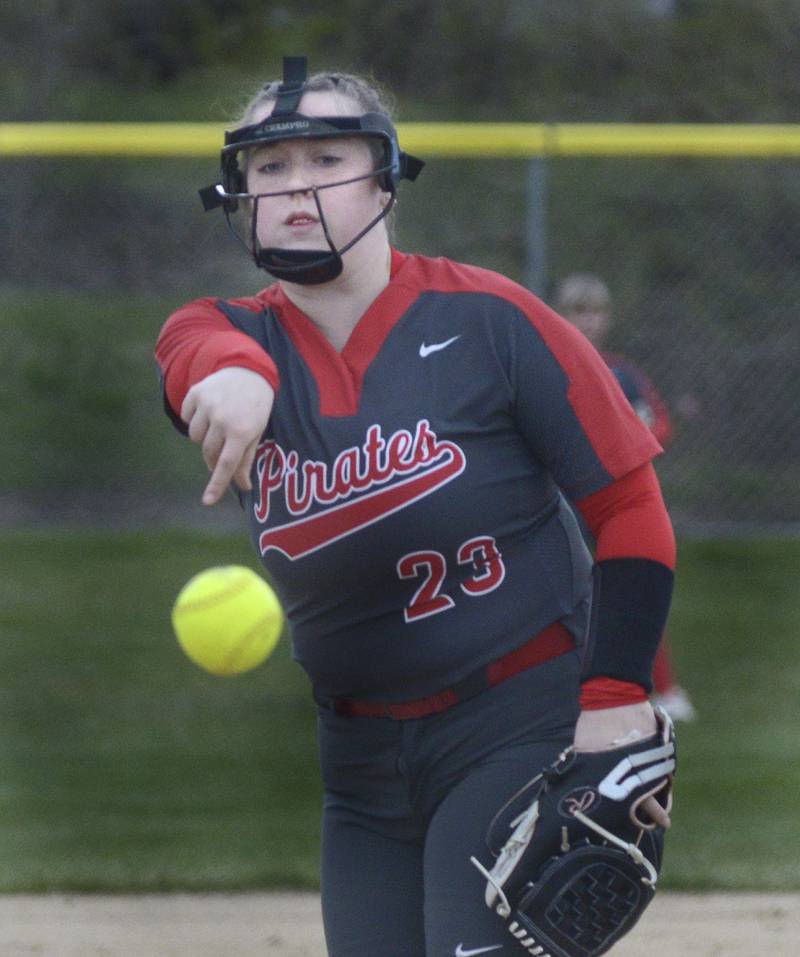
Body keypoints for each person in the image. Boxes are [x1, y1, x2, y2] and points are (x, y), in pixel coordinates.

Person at [156, 58, 677, 957]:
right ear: (236, 193)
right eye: (268, 168)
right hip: (358, 764)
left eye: (325, 158)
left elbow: (629, 505)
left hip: (516, 726)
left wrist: (616, 699)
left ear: (385, 180)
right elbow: (190, 347)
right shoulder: (228, 333)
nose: (293, 186)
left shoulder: (492, 321)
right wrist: (232, 376)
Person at [553, 272, 696, 722]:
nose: (589, 321)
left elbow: (659, 427)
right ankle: (560, 691)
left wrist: (622, 443)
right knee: (561, 599)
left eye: (597, 312)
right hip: (562, 505)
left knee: (635, 593)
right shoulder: (547, 367)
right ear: (559, 316)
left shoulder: (624, 374)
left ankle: (663, 690)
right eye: (579, 311)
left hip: (617, 504)